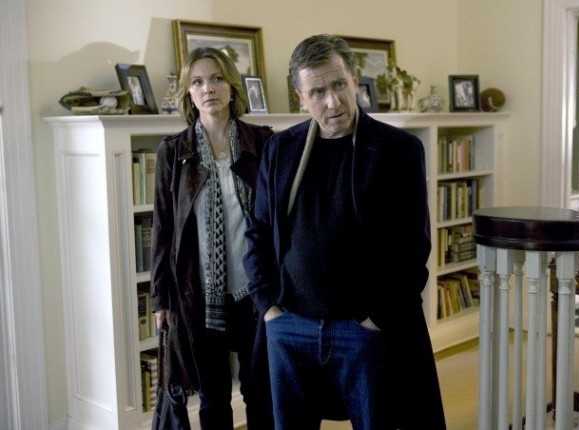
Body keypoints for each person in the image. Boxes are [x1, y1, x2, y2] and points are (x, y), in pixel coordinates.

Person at [244, 34, 447, 430]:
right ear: (301, 98)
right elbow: (259, 233)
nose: (332, 102)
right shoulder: (279, 150)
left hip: (366, 330)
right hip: (290, 326)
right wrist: (269, 307)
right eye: (317, 92)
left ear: (355, 81)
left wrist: (377, 319)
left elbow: (412, 247)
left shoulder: (399, 149)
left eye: (338, 85)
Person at [150, 46, 274, 430]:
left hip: (255, 290)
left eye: (217, 78)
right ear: (189, 93)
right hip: (198, 295)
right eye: (198, 82)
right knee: (213, 397)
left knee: (261, 391)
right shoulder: (174, 152)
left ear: (232, 86)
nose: (209, 89)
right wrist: (160, 299)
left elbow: (277, 221)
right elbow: (164, 229)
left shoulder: (263, 142)